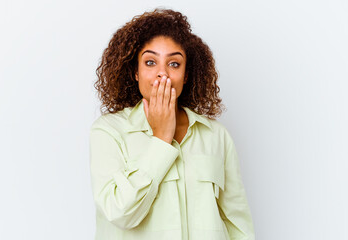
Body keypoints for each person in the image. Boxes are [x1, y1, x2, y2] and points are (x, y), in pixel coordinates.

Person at [89, 8, 255, 240]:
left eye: (174, 64)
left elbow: (237, 223)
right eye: (150, 62)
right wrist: (160, 139)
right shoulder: (108, 131)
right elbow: (120, 213)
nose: (162, 74)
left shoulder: (216, 135)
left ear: (186, 75)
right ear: (135, 72)